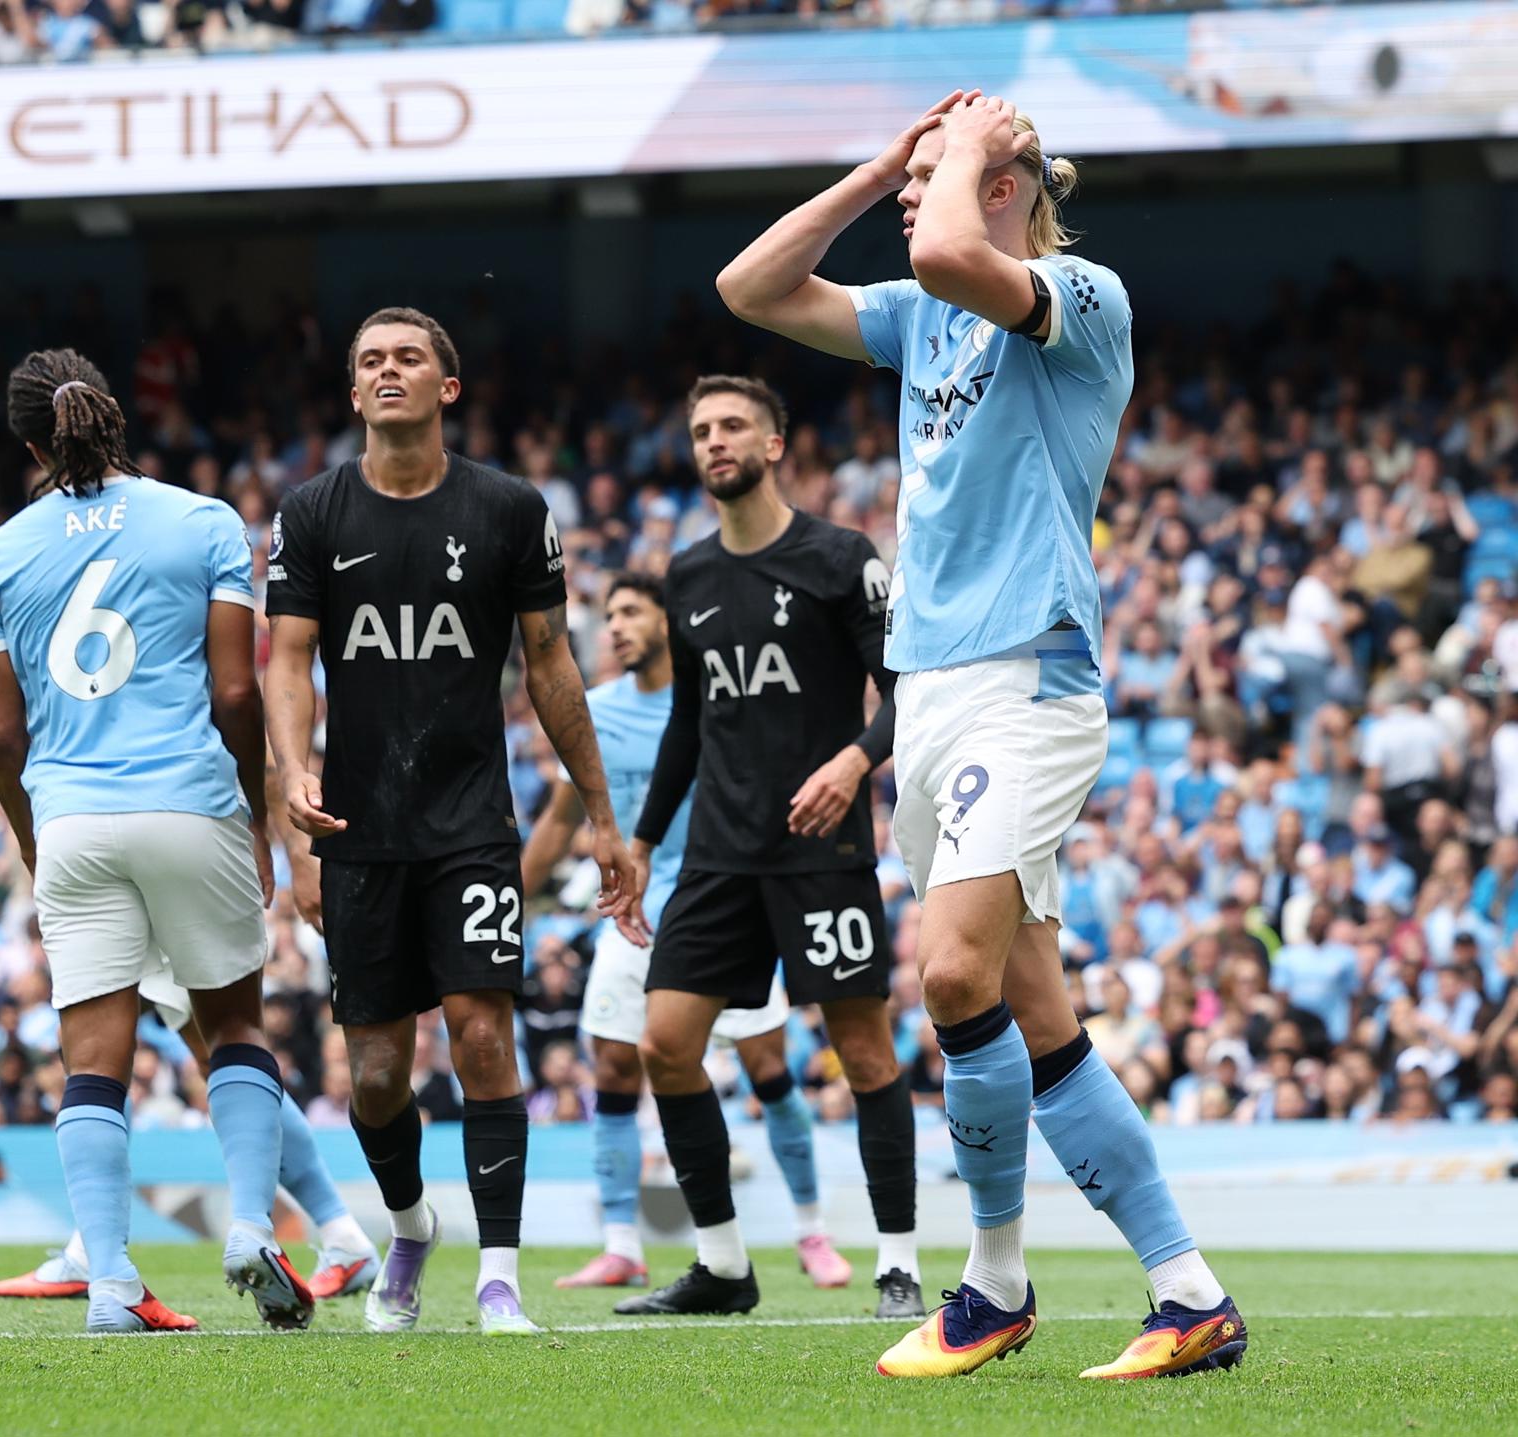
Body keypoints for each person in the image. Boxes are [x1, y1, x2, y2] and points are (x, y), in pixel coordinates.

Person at [715, 90, 1243, 1380]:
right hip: (933, 689)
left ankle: (989, 1287)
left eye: (932, 178)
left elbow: (954, 248)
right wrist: (888, 163)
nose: (910, 201)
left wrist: (971, 161)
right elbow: (751, 285)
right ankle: (1189, 1297)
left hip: (1031, 679)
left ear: (1006, 181)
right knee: (1031, 1011)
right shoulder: (920, 314)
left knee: (949, 977)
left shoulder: (1086, 296)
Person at [263, 307, 638, 1336]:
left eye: (408, 359)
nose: (389, 372)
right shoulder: (311, 512)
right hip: (356, 829)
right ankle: (411, 1228)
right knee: (378, 1072)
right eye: (370, 362)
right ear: (353, 391)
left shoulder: (513, 509)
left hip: (473, 822)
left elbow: (553, 663)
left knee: (482, 1035)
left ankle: (500, 1278)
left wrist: (602, 814)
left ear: (447, 386)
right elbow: (286, 665)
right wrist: (295, 798)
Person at [0, 348, 308, 1336]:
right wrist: (254, 814)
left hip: (71, 816)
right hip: (187, 800)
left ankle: (111, 1283)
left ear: (31, 442)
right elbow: (237, 691)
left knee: (93, 1057)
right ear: (115, 418)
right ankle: (252, 1227)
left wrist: (37, 841)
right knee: (234, 1026)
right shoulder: (203, 521)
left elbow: (0, 733)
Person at [607, 375, 922, 1321]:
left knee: (862, 1052)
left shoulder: (838, 557)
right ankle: (724, 1266)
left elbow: (911, 689)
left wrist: (855, 763)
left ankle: (898, 1265)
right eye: (701, 428)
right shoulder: (689, 575)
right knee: (664, 1044)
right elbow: (688, 726)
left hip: (820, 855)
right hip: (716, 855)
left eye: (734, 424)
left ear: (776, 442)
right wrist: (642, 839)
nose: (715, 440)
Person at [520, 571, 863, 1293]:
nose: (614, 626)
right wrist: (514, 898)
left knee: (769, 1065)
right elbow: (558, 819)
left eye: (632, 612)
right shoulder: (596, 712)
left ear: (670, 622)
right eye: (609, 614)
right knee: (613, 1065)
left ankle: (811, 1230)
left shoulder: (718, 703)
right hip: (635, 910)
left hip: (723, 901)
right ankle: (621, 1242)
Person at [0, 974, 381, 1302]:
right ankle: (336, 1237)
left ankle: (96, 1254)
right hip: (147, 892)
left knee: (205, 1042)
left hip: (147, 892)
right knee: (210, 1048)